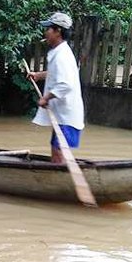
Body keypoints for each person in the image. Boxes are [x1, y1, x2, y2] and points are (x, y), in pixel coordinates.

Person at [27, 12, 84, 164]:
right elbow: (56, 74)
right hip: (62, 116)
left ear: (58, 31)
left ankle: (63, 183)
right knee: (56, 149)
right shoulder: (60, 52)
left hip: (67, 116)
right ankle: (58, 181)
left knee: (59, 152)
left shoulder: (62, 55)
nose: (46, 32)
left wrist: (46, 97)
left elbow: (65, 84)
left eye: (48, 29)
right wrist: (38, 75)